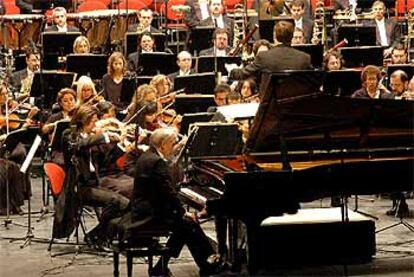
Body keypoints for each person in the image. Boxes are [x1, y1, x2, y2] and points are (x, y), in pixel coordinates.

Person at [126, 127, 222, 276]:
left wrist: (182, 212)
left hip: (145, 207)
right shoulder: (157, 161)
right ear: (163, 144)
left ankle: (163, 266)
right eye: (172, 143)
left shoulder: (147, 155)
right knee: (188, 224)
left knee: (186, 225)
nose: (174, 147)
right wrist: (183, 212)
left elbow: (165, 192)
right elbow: (168, 193)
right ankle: (208, 263)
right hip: (150, 212)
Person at [55, 105, 129, 246]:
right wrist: (104, 136)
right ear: (84, 121)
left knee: (126, 204)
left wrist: (119, 146)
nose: (96, 124)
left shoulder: (89, 138)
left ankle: (97, 235)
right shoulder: (69, 135)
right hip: (78, 187)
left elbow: (105, 161)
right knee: (114, 201)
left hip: (92, 183)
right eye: (94, 121)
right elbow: (79, 144)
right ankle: (99, 237)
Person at [229, 20, 312, 82]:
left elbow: (243, 74)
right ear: (291, 37)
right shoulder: (305, 58)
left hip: (271, 104)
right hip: (297, 103)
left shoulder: (264, 57)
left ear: (274, 36)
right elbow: (315, 79)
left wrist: (231, 70)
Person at [41, 88, 77, 165]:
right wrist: (56, 124)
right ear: (60, 104)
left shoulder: (79, 115)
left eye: (71, 99)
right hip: (59, 150)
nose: (69, 103)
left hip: (77, 148)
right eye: (65, 101)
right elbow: (44, 129)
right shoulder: (55, 117)